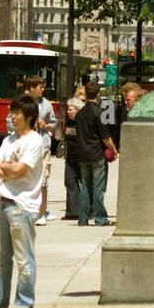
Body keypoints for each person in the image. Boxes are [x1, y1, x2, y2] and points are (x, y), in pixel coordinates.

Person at [0, 96, 43, 308]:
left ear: (29, 116)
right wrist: (7, 168)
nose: (12, 116)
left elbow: (20, 170)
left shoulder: (34, 141)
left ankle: (24, 301)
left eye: (16, 113)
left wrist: (5, 168)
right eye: (11, 112)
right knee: (1, 258)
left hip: (23, 205)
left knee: (24, 258)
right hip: (4, 202)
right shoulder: (8, 140)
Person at [74, 81, 117, 226]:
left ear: (85, 94)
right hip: (97, 154)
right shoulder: (99, 113)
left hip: (83, 153)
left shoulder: (79, 114)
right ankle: (100, 218)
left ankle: (83, 218)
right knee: (98, 186)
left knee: (85, 186)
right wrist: (114, 150)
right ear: (98, 94)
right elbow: (105, 137)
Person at [23, 75, 56, 226]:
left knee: (42, 182)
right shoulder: (20, 103)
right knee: (26, 181)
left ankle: (41, 214)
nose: (43, 89)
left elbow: (54, 123)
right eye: (39, 87)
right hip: (25, 148)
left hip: (43, 147)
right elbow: (10, 124)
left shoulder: (47, 104)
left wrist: (45, 125)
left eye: (43, 86)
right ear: (30, 88)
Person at [62, 93, 84, 221]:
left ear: (78, 110)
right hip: (70, 158)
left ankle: (86, 211)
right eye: (68, 109)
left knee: (85, 184)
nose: (68, 112)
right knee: (70, 182)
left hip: (82, 157)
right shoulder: (68, 120)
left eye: (71, 109)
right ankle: (72, 212)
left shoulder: (83, 122)